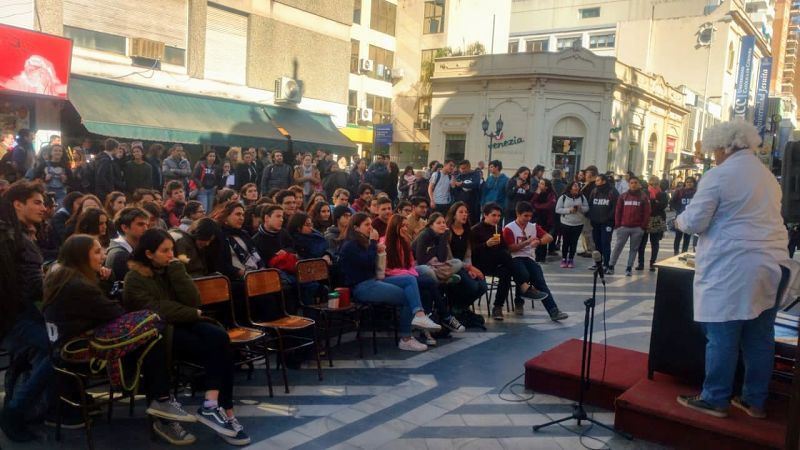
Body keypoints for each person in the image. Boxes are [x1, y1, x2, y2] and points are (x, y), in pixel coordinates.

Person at [674, 120, 790, 420]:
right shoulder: (768, 177)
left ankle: (715, 398)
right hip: (774, 265)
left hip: (734, 266)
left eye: (714, 150)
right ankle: (754, 401)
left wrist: (679, 221)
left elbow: (695, 221)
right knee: (760, 335)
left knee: (722, 331)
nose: (713, 156)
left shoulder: (720, 176)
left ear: (725, 146)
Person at [42, 235, 198, 445]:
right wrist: (107, 286)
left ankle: (160, 401)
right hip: (77, 352)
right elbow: (114, 311)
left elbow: (103, 309)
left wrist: (104, 282)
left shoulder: (63, 275)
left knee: (152, 338)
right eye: (97, 252)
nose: (103, 255)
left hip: (68, 344)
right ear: (80, 256)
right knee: (152, 339)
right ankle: (161, 404)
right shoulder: (78, 285)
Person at [124, 229, 250, 444]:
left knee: (220, 338)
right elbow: (157, 309)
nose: (170, 254)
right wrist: (192, 313)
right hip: (161, 333)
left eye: (171, 249)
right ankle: (221, 411)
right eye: (164, 251)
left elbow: (193, 300)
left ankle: (213, 405)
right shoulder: (134, 278)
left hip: (183, 323)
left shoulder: (171, 269)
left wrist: (177, 271)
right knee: (215, 348)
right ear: (148, 253)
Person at [338, 212, 441, 352]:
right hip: (361, 287)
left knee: (410, 280)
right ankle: (406, 338)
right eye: (367, 225)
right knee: (406, 297)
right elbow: (367, 262)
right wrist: (374, 244)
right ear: (356, 228)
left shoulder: (363, 242)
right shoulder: (350, 245)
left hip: (373, 281)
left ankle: (419, 315)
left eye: (370, 224)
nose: (370, 227)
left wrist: (374, 247)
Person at [0, 181, 52, 441]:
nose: (44, 208)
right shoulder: (12, 237)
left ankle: (23, 408)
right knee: (57, 351)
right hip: (14, 316)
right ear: (17, 204)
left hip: (17, 314)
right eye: (37, 202)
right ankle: (14, 413)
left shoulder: (16, 234)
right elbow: (31, 287)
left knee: (35, 355)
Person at [384, 214, 463, 346]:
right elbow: (417, 260)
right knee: (428, 279)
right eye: (402, 226)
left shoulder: (405, 242)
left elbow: (442, 258)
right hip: (399, 276)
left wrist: (443, 238)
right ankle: (444, 317)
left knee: (453, 266)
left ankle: (428, 329)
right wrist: (431, 257)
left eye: (406, 226)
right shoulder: (386, 243)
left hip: (414, 272)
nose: (405, 228)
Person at [503, 201, 568, 320]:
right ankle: (521, 297)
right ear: (518, 214)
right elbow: (511, 248)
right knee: (523, 274)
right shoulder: (509, 228)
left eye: (530, 216)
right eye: (525, 216)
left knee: (539, 280)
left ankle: (553, 311)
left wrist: (539, 241)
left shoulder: (533, 227)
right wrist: (527, 242)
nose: (528, 219)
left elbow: (549, 237)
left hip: (529, 257)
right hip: (514, 257)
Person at [471, 202, 516, 321]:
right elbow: (472, 251)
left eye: (499, 216)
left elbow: (505, 248)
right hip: (480, 264)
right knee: (505, 257)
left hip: (495, 263)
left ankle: (498, 306)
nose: (497, 218)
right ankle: (523, 283)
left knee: (506, 271)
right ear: (485, 215)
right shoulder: (476, 230)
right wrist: (486, 244)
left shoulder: (498, 229)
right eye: (493, 215)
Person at [445, 202, 488, 320]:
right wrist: (469, 268)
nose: (464, 215)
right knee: (472, 286)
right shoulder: (447, 232)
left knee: (483, 285)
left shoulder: (468, 232)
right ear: (454, 215)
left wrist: (470, 268)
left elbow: (468, 254)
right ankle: (456, 308)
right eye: (461, 212)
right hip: (452, 266)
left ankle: (461, 307)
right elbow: (449, 258)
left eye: (466, 212)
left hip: (464, 266)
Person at [607, 176, 650, 276]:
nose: (633, 185)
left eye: (635, 183)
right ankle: (611, 266)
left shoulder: (643, 197)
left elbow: (647, 213)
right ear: (629, 184)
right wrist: (618, 225)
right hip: (623, 227)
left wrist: (642, 227)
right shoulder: (623, 196)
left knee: (633, 249)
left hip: (637, 228)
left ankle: (629, 268)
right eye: (631, 183)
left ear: (639, 184)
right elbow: (618, 211)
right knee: (618, 247)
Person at [213, 201, 264, 282]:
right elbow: (221, 264)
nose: (241, 218)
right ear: (225, 217)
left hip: (255, 275)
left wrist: (262, 269)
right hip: (235, 280)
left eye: (243, 215)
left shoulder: (244, 234)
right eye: (238, 214)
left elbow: (257, 255)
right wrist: (241, 273)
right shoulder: (219, 236)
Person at [105, 207, 149, 281]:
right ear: (125, 227)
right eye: (140, 224)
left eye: (147, 225)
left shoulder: (133, 249)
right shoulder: (119, 255)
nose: (146, 228)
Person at [636, 175, 668, 272]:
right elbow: (642, 205)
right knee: (642, 243)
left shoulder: (662, 194)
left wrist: (652, 201)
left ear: (659, 184)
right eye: (651, 184)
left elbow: (662, 206)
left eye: (656, 184)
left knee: (655, 243)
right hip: (645, 219)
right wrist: (655, 202)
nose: (654, 186)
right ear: (648, 184)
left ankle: (652, 263)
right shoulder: (644, 193)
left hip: (657, 219)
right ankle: (640, 263)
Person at [587, 174, 618, 272]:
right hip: (596, 222)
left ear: (604, 181)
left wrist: (609, 219)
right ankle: (598, 263)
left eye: (598, 180)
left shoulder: (612, 192)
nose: (596, 182)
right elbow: (590, 204)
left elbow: (615, 207)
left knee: (605, 243)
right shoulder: (594, 191)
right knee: (597, 243)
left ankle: (607, 264)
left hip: (607, 223)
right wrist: (591, 217)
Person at [555, 181, 589, 268]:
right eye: (574, 186)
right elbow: (558, 209)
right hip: (566, 223)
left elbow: (587, 208)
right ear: (570, 188)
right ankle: (563, 259)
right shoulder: (563, 197)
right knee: (566, 242)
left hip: (578, 223)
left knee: (574, 242)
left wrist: (580, 208)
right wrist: (569, 210)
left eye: (577, 186)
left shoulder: (582, 197)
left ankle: (571, 259)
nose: (576, 188)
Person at [531, 178, 557, 262]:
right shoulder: (537, 193)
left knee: (544, 237)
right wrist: (536, 194)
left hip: (548, 219)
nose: (539, 185)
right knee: (537, 237)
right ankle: (537, 257)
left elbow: (549, 206)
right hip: (538, 218)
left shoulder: (551, 194)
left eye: (542, 183)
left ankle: (542, 257)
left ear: (546, 186)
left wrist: (537, 206)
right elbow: (531, 203)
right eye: (539, 183)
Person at [670, 176, 697, 255]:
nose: (689, 183)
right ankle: (676, 252)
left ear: (694, 183)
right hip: (680, 217)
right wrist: (678, 209)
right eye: (687, 182)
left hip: (690, 217)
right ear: (685, 183)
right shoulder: (679, 191)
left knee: (687, 237)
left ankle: (684, 252)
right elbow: (672, 202)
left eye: (691, 182)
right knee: (678, 236)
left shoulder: (696, 192)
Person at [95, 138, 125, 203]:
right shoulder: (105, 160)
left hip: (101, 191)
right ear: (114, 149)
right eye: (118, 148)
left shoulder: (101, 157)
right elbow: (100, 176)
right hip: (104, 193)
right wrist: (110, 190)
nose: (118, 150)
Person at [452, 160, 482, 225]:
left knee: (473, 223)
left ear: (469, 167)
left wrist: (462, 184)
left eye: (464, 168)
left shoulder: (476, 174)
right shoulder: (459, 176)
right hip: (462, 205)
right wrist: (453, 187)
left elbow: (476, 184)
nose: (462, 170)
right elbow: (455, 190)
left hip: (473, 205)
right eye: (461, 168)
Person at [192, 150, 219, 215]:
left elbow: (218, 177)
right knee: (204, 209)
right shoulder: (201, 164)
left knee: (210, 210)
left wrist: (216, 185)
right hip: (203, 190)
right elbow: (194, 176)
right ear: (206, 157)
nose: (212, 158)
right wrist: (200, 186)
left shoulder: (216, 167)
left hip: (212, 190)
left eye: (213, 156)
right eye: (210, 156)